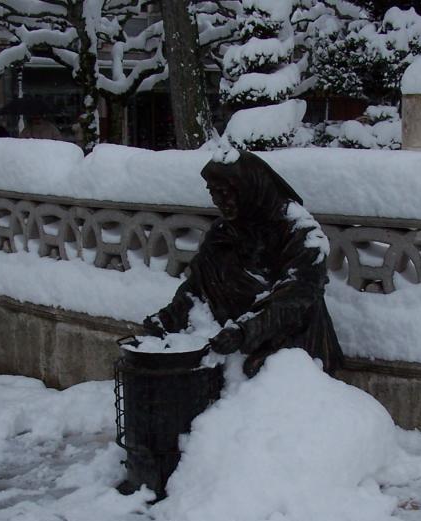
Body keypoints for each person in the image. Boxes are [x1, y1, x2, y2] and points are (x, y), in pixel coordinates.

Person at [143, 149, 343, 378]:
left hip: (290, 341)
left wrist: (245, 331)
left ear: (249, 188)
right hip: (230, 338)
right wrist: (169, 317)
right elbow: (199, 285)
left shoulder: (300, 232)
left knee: (262, 376)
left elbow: (297, 295)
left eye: (226, 192)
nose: (219, 201)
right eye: (213, 192)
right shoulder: (223, 232)